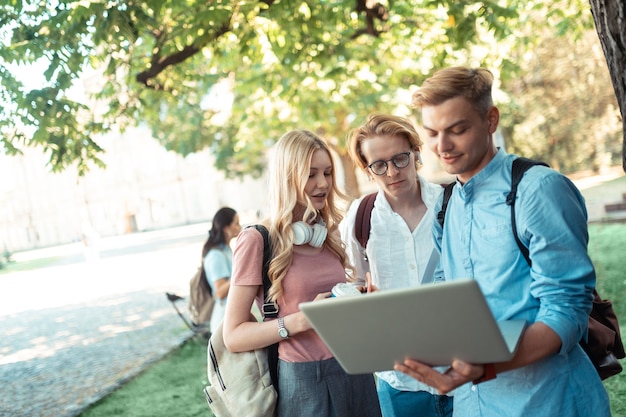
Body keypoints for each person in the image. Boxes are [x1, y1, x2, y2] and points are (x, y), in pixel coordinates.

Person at [394, 66, 611, 417]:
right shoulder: (445, 205)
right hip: (472, 405)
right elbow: (445, 293)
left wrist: (487, 367)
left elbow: (567, 311)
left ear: (490, 119)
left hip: (547, 402)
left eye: (457, 130)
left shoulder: (539, 190)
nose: (442, 146)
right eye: (432, 133)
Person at [222, 130, 382, 417]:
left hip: (357, 370)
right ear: (287, 178)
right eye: (311, 174)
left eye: (328, 172)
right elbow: (233, 335)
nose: (323, 183)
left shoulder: (326, 234)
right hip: (306, 380)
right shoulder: (257, 239)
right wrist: (303, 320)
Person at [340, 113, 453, 417]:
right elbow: (353, 282)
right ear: (368, 170)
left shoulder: (454, 203)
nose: (392, 172)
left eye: (400, 158)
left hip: (465, 375)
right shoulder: (360, 217)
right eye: (379, 165)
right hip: (399, 385)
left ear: (416, 153)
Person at [201, 206, 241, 332]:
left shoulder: (226, 249)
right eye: (236, 223)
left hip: (231, 314)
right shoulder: (216, 255)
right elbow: (219, 291)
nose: (240, 227)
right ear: (225, 228)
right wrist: (242, 273)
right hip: (223, 319)